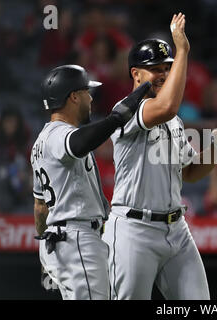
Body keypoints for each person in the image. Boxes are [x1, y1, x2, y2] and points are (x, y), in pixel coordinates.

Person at [102, 13, 216, 300]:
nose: (164, 74)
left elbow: (189, 172)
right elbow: (166, 107)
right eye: (155, 68)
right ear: (135, 74)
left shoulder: (173, 121)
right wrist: (183, 51)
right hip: (134, 230)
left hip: (176, 229)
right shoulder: (127, 109)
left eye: (167, 67)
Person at [31, 64, 150, 300]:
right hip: (76, 238)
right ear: (74, 96)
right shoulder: (58, 134)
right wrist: (118, 117)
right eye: (87, 92)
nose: (91, 99)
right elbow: (81, 143)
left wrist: (46, 246)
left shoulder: (40, 142)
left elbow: (40, 207)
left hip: (64, 238)